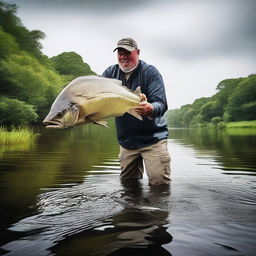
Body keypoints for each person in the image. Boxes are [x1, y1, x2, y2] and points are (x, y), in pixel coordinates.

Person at [102, 37, 171, 185]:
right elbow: (100, 97)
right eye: (120, 53)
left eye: (127, 52)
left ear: (137, 52)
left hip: (153, 140)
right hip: (127, 142)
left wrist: (150, 108)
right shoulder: (109, 73)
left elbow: (161, 104)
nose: (123, 56)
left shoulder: (150, 72)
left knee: (160, 186)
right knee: (128, 187)